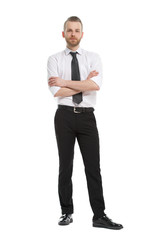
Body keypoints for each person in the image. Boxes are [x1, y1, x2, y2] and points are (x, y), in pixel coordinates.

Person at [47, 16, 123, 230]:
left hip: (87, 117)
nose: (73, 34)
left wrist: (66, 82)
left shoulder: (93, 57)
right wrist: (83, 84)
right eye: (69, 30)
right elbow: (57, 91)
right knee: (66, 166)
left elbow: (95, 86)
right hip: (64, 116)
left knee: (93, 168)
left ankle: (99, 215)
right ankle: (66, 212)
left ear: (82, 33)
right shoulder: (54, 59)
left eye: (77, 30)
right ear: (63, 34)